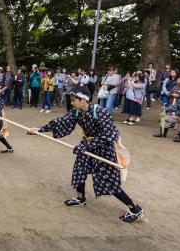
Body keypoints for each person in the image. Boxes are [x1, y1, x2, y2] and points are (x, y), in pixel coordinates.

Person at [29, 86, 144, 223]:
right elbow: (61, 121)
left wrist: (86, 146)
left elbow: (110, 135)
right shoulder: (77, 112)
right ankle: (80, 198)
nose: (71, 103)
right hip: (86, 146)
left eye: (73, 100)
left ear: (83, 100)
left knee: (109, 181)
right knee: (80, 171)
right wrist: (40, 129)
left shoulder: (100, 112)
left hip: (103, 149)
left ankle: (135, 209)